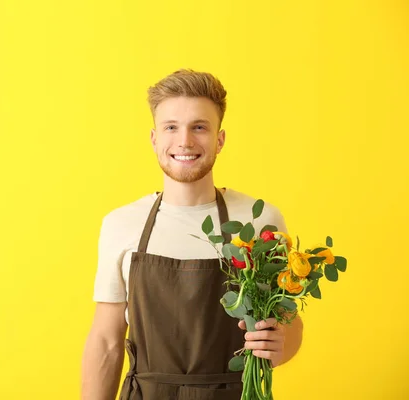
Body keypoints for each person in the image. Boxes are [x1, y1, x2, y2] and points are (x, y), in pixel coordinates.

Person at [81, 69, 303, 400]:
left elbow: (288, 322)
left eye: (199, 127)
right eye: (172, 127)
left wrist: (280, 345)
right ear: (155, 138)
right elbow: (107, 340)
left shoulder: (260, 221)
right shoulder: (122, 224)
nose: (184, 141)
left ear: (220, 139)